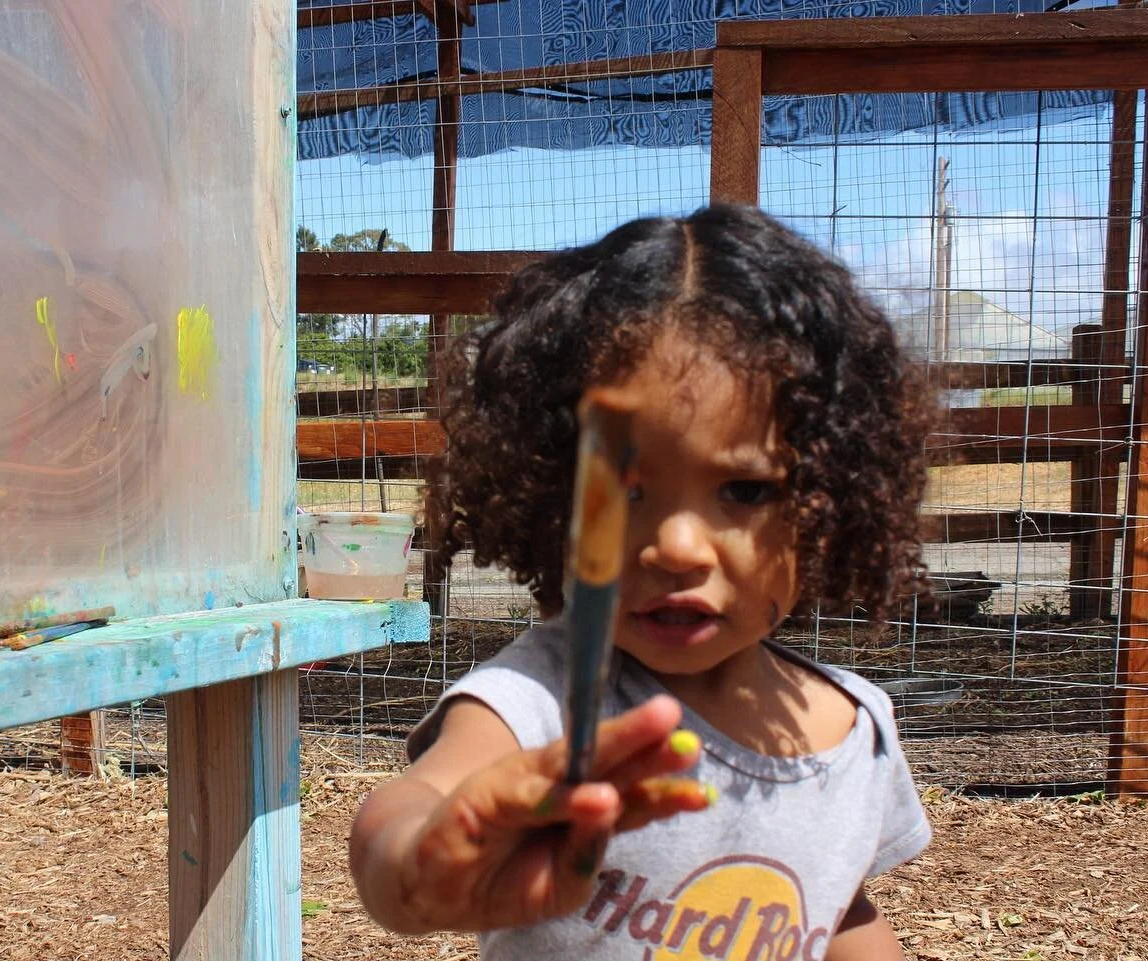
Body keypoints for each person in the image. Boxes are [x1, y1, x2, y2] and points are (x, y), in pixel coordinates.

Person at [348, 204, 935, 960]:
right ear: (547, 497)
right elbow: (406, 811)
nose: (678, 547)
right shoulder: (544, 700)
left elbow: (841, 908)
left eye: (745, 490)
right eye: (623, 493)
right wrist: (421, 866)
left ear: (831, 500)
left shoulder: (857, 730)